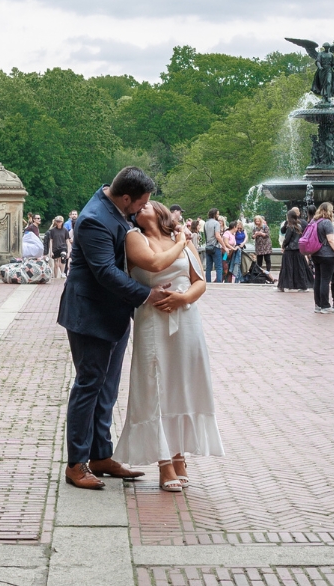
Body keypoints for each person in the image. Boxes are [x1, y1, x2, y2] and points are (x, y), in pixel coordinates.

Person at [57, 166, 179, 490]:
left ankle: (101, 456)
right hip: (89, 316)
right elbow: (106, 272)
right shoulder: (95, 218)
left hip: (114, 315)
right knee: (88, 386)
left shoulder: (118, 211)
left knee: (107, 390)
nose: (142, 210)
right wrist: (148, 294)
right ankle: (76, 464)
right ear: (126, 197)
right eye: (140, 204)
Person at [115, 199, 224, 489]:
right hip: (152, 317)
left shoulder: (181, 240)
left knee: (182, 383)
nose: (141, 208)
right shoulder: (134, 238)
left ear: (161, 210)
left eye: (147, 204)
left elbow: (199, 280)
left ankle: (178, 455)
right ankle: (164, 464)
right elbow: (154, 263)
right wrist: (181, 240)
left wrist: (184, 298)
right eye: (137, 208)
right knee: (154, 385)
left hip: (186, 318)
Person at [309, 201, 334, 314]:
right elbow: (331, 240)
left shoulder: (314, 221)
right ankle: (325, 305)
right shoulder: (327, 222)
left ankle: (317, 305)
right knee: (325, 280)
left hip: (315, 253)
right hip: (327, 254)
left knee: (317, 279)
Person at [278, 207, 314, 292]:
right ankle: (303, 285)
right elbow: (283, 231)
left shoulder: (290, 227)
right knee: (300, 268)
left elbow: (287, 238)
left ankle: (286, 285)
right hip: (298, 250)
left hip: (290, 250)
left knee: (287, 268)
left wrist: (283, 246)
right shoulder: (299, 225)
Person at [203, 209, 224, 282]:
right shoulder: (216, 223)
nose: (218, 216)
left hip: (208, 247)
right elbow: (217, 236)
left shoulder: (206, 223)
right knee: (219, 267)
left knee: (208, 268)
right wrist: (224, 246)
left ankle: (208, 282)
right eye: (217, 214)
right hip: (215, 247)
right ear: (214, 214)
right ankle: (219, 282)